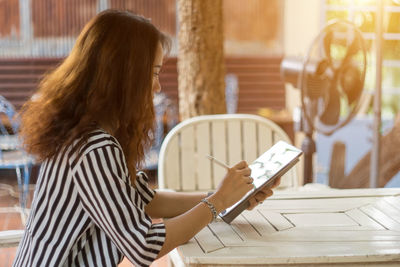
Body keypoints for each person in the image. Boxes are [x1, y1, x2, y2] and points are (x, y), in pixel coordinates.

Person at [13, 9, 279, 267]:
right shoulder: (94, 148)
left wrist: (227, 197)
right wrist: (217, 202)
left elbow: (143, 199)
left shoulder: (87, 134)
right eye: (153, 72)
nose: (157, 86)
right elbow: (143, 247)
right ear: (124, 75)